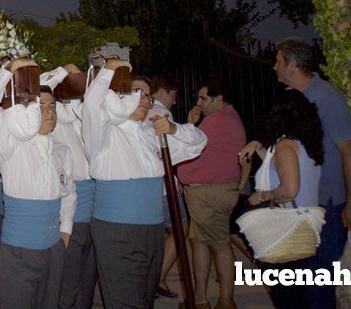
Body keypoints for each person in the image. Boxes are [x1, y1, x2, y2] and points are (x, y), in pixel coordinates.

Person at [82, 60, 207, 309]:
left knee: (145, 298)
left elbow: (198, 142)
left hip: (152, 229)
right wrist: (110, 68)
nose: (143, 100)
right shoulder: (105, 134)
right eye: (135, 93)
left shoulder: (153, 134)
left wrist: (173, 129)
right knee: (125, 301)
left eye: (147, 96)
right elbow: (92, 105)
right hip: (117, 229)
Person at [0, 59, 76, 308]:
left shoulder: (62, 150)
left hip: (54, 247)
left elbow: (69, 193)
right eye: (41, 106)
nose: (50, 111)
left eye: (52, 106)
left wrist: (65, 231)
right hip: (19, 250)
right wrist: (8, 70)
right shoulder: (10, 146)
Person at [272, 37, 351, 308]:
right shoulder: (299, 98)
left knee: (320, 282)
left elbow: (349, 152)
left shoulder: (326, 97)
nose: (274, 67)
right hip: (307, 207)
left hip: (329, 207)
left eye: (278, 61)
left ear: (293, 65)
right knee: (307, 281)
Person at [239, 89, 323, 308]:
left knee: (288, 299)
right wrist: (258, 146)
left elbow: (290, 189)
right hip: (304, 228)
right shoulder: (302, 145)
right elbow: (277, 167)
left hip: (287, 231)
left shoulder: (285, 146)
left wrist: (262, 196)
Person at [177, 78, 247, 309]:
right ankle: (200, 300)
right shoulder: (226, 119)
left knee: (219, 245)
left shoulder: (218, 121)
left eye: (203, 98)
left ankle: (225, 301)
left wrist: (189, 125)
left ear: (218, 100)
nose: (199, 102)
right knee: (201, 243)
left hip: (209, 192)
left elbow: (187, 146)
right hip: (210, 190)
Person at [41, 64, 97, 309]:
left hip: (96, 206)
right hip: (73, 207)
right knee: (69, 279)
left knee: (87, 279)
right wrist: (66, 70)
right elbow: (40, 87)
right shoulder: (56, 115)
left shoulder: (87, 114)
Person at [148, 75, 186, 299]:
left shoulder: (142, 110)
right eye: (173, 95)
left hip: (150, 185)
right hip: (164, 186)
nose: (174, 100)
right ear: (162, 92)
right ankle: (158, 277)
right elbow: (172, 153)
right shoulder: (162, 113)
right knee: (181, 229)